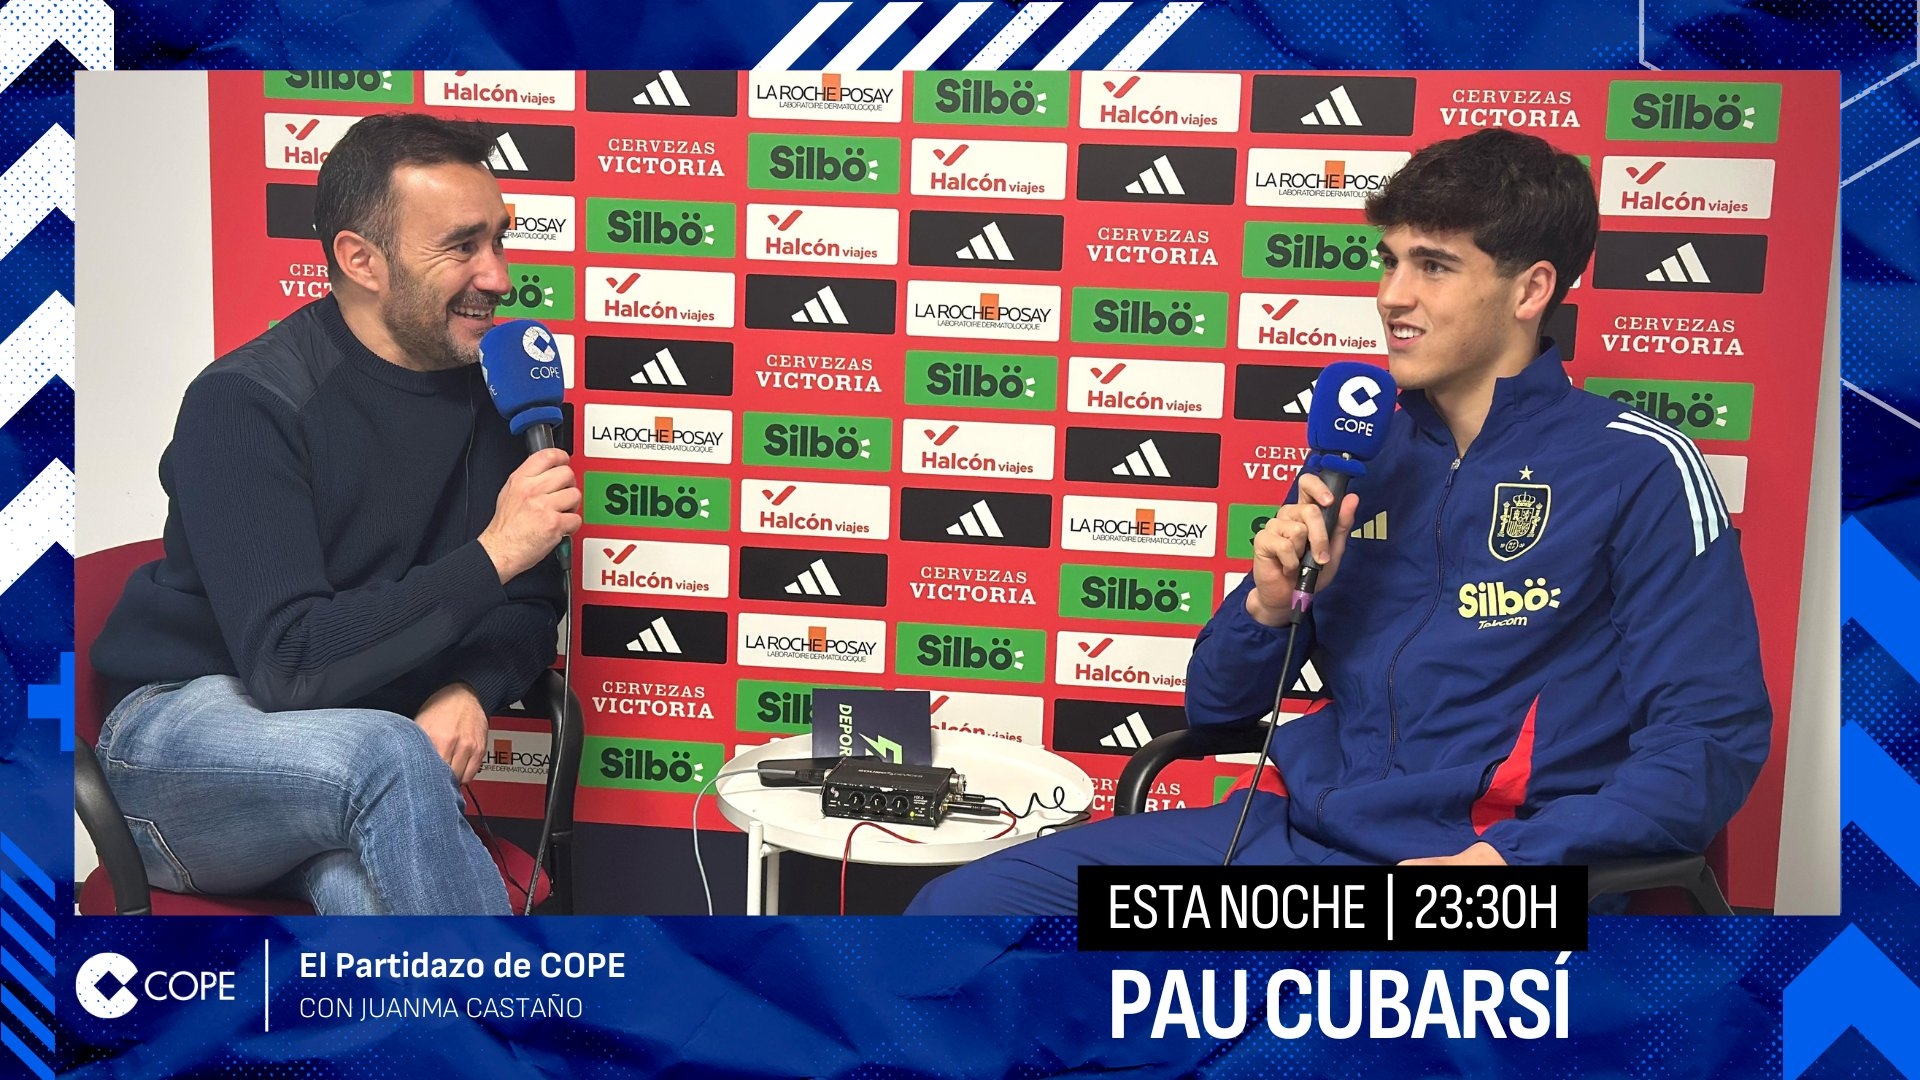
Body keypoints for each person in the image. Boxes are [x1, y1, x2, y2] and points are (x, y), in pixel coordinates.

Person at [908, 128, 1772, 915]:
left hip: (1480, 863)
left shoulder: (1640, 468)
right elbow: (1215, 706)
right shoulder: (1359, 456)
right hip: (1288, 836)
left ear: (1531, 289)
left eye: (1434, 266)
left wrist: (1510, 862)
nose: (1393, 295)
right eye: (1388, 261)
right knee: (959, 917)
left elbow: (1708, 744)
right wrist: (1268, 606)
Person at [89, 114, 581, 915]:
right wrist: (495, 551)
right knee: (386, 754)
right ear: (361, 260)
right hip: (181, 744)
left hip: (353, 760)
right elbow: (289, 664)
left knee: (369, 900)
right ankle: (513, 992)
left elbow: (530, 601)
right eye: (462, 247)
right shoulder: (245, 402)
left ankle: (474, 1001)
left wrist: (470, 685)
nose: (497, 276)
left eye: (499, 240)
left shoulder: (506, 394)